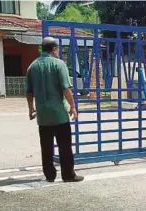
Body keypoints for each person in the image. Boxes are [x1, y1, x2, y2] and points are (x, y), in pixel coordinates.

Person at [26, 37, 84, 182]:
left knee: (46, 148)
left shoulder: (32, 67)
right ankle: (68, 175)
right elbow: (66, 89)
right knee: (65, 147)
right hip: (59, 115)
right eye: (57, 49)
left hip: (43, 116)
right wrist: (73, 107)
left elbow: (29, 92)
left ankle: (50, 175)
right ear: (54, 49)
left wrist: (31, 109)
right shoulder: (59, 64)